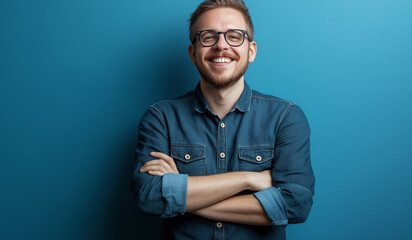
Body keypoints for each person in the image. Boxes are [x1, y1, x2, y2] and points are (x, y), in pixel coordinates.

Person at [132, 0, 315, 239]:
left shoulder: (286, 118)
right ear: (193, 53)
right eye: (208, 37)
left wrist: (181, 195)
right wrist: (249, 179)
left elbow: (295, 205)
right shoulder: (160, 118)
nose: (221, 45)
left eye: (234, 36)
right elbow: (150, 198)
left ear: (251, 51)